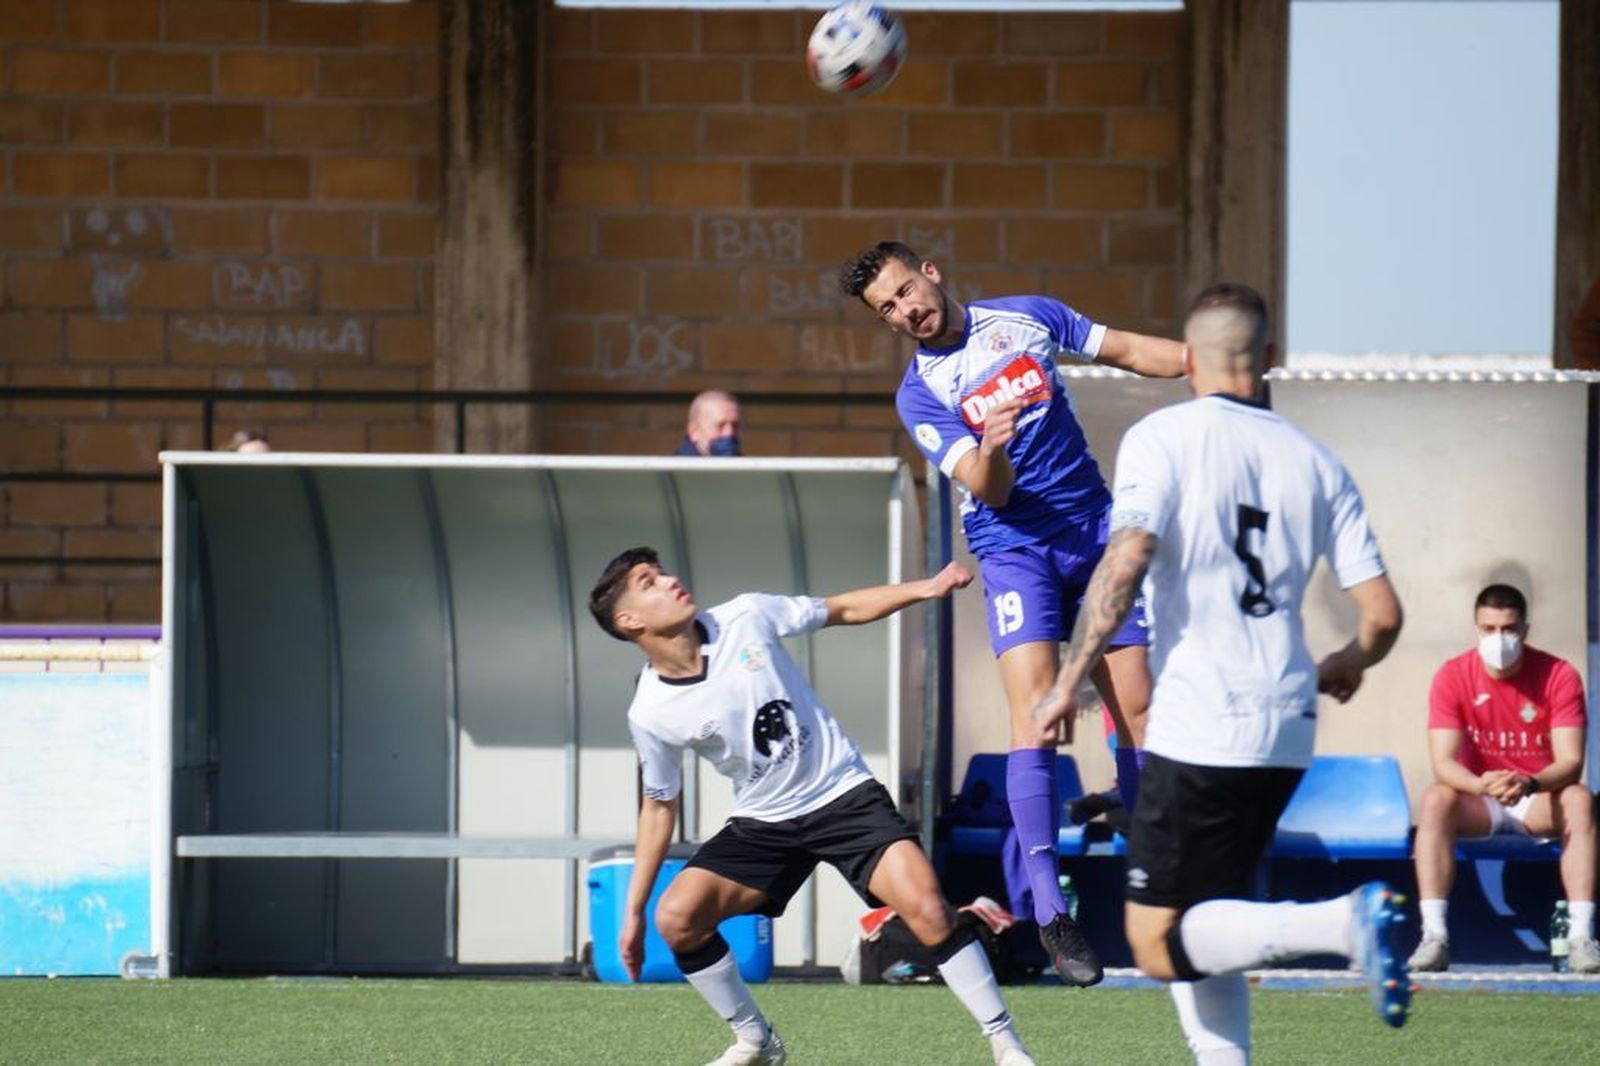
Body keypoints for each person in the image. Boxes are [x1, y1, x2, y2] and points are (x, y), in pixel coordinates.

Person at [1031, 283, 1411, 1063]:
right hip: (1287, 722)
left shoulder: (1160, 437)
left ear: (1190, 358)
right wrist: (1347, 661)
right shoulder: (1317, 460)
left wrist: (1068, 678)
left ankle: (1343, 922)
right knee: (1209, 915)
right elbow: (1383, 616)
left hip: (1202, 716)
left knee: (1156, 942)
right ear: (1267, 359)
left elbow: (1126, 561)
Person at [840, 240, 1184, 985]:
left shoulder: (1027, 318)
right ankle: (1052, 912)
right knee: (1036, 718)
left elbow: (1125, 349)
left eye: (906, 291)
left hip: (1094, 535)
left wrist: (1205, 363)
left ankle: (1160, 887)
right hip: (1014, 551)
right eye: (888, 310)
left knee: (1141, 710)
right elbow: (987, 490)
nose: (906, 312)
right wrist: (991, 447)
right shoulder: (920, 394)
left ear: (930, 272)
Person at [589, 548, 1035, 1066]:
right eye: (649, 582)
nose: (670, 580)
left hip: (842, 795)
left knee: (929, 908)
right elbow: (659, 806)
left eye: (662, 571)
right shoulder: (650, 711)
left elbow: (840, 609)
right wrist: (635, 910)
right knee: (679, 918)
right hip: (763, 821)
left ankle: (1007, 1046)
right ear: (629, 620)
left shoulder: (746, 616)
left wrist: (926, 588)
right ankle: (756, 1041)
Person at [1407, 584, 1597, 974]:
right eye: (1489, 629)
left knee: (1579, 798)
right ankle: (1434, 936)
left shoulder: (1559, 675)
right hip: (1479, 798)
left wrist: (1529, 783)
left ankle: (1581, 938)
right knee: (1435, 799)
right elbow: (1442, 762)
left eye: (1508, 629)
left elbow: (1571, 762)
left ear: (1525, 630)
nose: (1499, 639)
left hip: (1538, 795)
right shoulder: (1452, 675)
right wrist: (1482, 784)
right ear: (1476, 628)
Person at [676, 389, 742, 457]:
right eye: (720, 426)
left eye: (735, 426)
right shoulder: (671, 467)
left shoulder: (747, 466)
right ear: (694, 431)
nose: (729, 433)